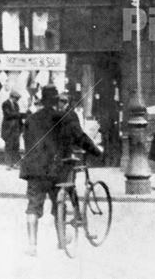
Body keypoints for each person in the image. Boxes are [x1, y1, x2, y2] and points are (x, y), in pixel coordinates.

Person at [19, 85, 102, 256]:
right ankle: (62, 239)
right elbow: (79, 137)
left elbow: (26, 142)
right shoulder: (63, 118)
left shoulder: (31, 119)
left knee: (33, 206)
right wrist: (96, 151)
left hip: (33, 169)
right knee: (59, 202)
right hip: (54, 169)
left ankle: (32, 245)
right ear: (56, 100)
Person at [1, 90, 25, 170]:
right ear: (12, 97)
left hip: (16, 128)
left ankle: (16, 163)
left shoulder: (16, 104)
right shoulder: (5, 104)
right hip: (8, 129)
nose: (17, 100)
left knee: (16, 146)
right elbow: (8, 115)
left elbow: (17, 116)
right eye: (16, 98)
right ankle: (8, 164)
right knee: (9, 146)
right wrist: (21, 115)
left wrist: (21, 127)